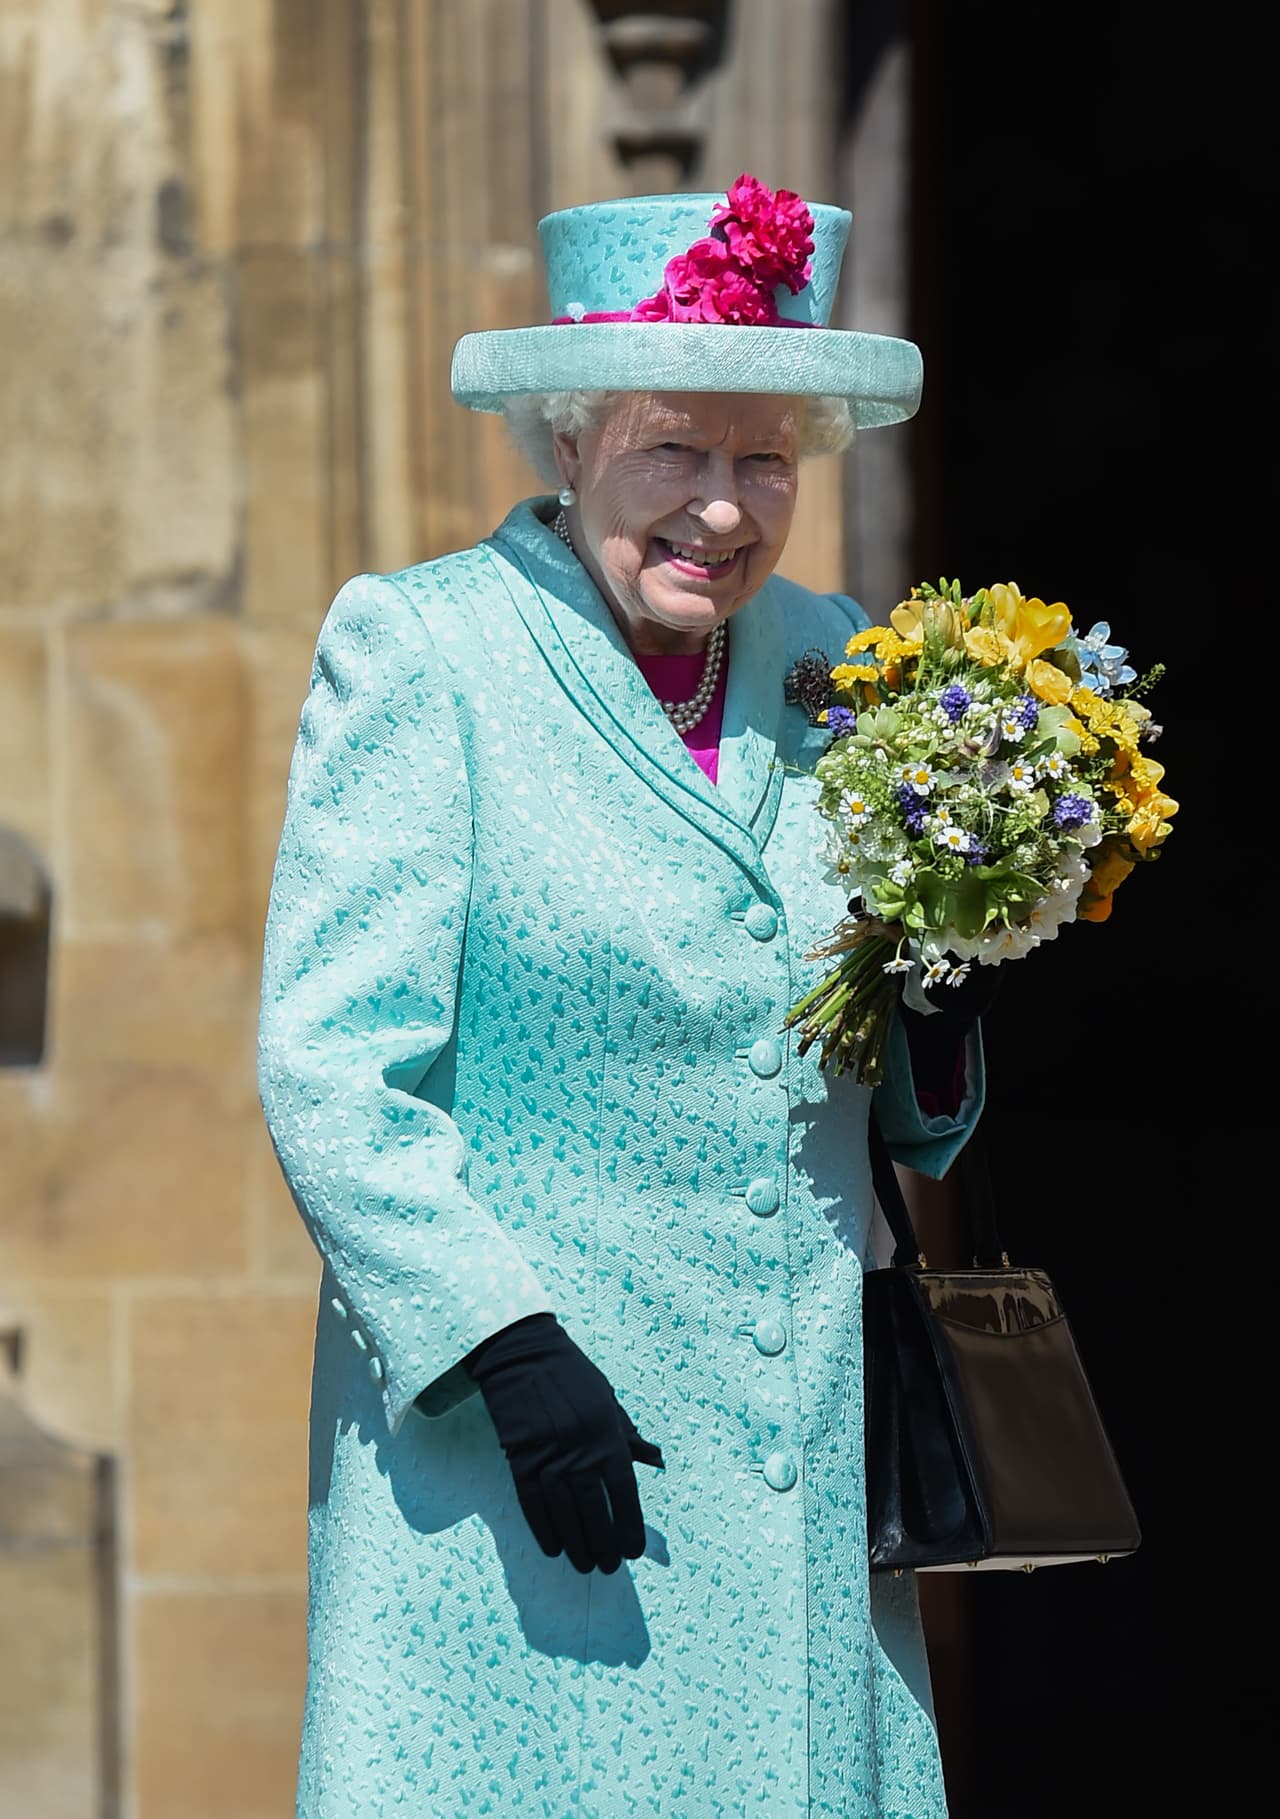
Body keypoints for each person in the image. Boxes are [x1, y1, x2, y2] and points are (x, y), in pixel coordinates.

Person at [258, 176, 985, 1818]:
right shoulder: (424, 653)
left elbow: (889, 1094)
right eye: (674, 448)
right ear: (568, 439)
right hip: (527, 1456)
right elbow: (331, 1065)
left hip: (793, 1442)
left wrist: (936, 1012)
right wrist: (502, 1348)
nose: (721, 511)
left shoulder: (836, 660)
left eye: (764, 461)